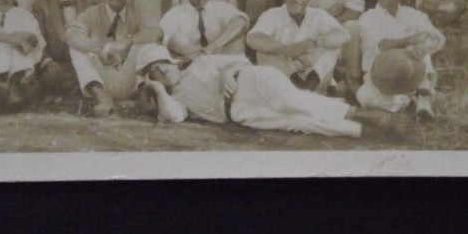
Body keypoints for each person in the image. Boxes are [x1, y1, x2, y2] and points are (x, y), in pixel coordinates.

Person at [137, 44, 411, 139]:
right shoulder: (177, 101)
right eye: (155, 72)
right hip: (240, 113)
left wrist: (224, 73)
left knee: (295, 101)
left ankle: (366, 115)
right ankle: (364, 131)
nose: (162, 72)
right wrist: (157, 89)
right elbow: (173, 117)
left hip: (251, 81)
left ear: (170, 62)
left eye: (162, 66)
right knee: (299, 122)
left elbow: (241, 59)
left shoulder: (200, 63)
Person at [64, 0, 162, 117]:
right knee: (76, 47)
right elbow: (70, 34)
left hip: (129, 78)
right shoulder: (93, 12)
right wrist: (98, 50)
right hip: (101, 77)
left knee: (149, 45)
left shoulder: (136, 13)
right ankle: (100, 98)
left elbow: (156, 32)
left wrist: (129, 41)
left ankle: (144, 95)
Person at [355, 0, 445, 122]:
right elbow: (383, 46)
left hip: (414, 73)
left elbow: (439, 38)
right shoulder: (367, 18)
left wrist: (424, 45)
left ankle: (423, 96)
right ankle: (413, 104)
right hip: (381, 77)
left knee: (423, 47)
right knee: (364, 96)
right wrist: (411, 39)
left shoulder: (414, 14)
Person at [246, 0, 349, 93]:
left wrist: (309, 44)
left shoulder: (318, 14)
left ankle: (308, 88)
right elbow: (253, 38)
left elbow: (343, 35)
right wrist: (289, 50)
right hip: (284, 77)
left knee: (333, 46)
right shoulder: (272, 14)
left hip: (314, 76)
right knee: (263, 52)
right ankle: (301, 90)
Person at [32, 0, 100, 92]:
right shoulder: (42, 5)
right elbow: (38, 38)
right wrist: (47, 61)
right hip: (59, 62)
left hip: (89, 58)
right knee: (50, 78)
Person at [159, 0, 248, 61]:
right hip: (190, 64)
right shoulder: (174, 13)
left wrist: (211, 48)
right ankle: (199, 58)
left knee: (236, 34)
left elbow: (241, 22)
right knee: (178, 37)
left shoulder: (223, 8)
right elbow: (165, 40)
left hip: (220, 61)